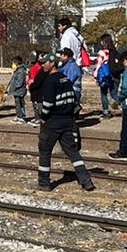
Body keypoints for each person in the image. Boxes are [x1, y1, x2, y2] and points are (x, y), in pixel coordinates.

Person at [32, 56, 94, 191]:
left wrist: (43, 117)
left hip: (52, 122)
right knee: (73, 152)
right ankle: (86, 180)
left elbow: (48, 104)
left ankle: (44, 182)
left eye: (45, 63)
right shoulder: (66, 79)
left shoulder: (49, 81)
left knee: (45, 151)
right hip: (67, 120)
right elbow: (73, 100)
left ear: (52, 63)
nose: (43, 66)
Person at [93, 33, 118, 116]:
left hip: (104, 76)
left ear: (104, 42)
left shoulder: (102, 52)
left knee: (104, 93)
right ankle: (124, 106)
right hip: (114, 75)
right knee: (114, 94)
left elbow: (98, 65)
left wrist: (95, 76)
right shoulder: (115, 52)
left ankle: (105, 111)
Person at [8, 55, 31, 124]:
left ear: (17, 62)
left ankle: (21, 117)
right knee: (17, 104)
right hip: (17, 91)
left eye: (13, 62)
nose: (12, 64)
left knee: (20, 104)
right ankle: (18, 116)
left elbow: (19, 82)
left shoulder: (21, 71)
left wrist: (14, 87)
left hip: (19, 91)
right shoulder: (17, 70)